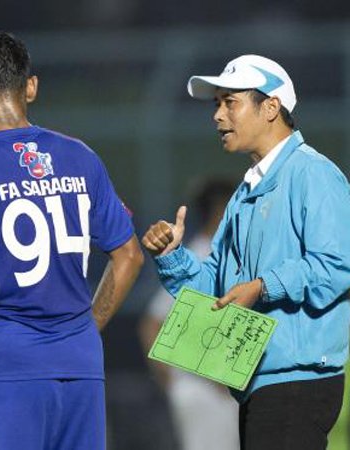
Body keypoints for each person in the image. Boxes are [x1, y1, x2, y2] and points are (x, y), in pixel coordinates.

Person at [0, 31, 144, 450]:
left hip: (11, 364)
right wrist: (87, 329)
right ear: (30, 87)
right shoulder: (81, 156)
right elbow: (129, 256)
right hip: (81, 361)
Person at [142, 54, 350, 450]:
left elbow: (338, 266)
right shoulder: (244, 195)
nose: (218, 115)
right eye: (217, 104)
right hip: (258, 381)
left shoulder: (314, 174)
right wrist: (173, 256)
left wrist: (262, 286)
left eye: (230, 102)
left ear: (271, 107)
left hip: (299, 381)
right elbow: (214, 289)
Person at [139, 178, 239, 450]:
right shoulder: (203, 253)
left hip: (223, 390)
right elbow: (152, 323)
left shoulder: (226, 252)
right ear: (221, 211)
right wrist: (175, 383)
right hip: (204, 393)